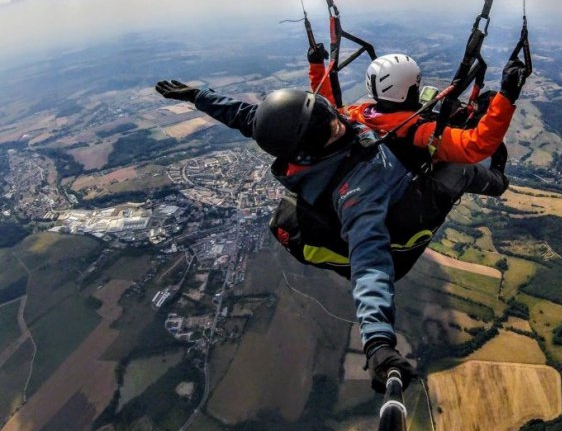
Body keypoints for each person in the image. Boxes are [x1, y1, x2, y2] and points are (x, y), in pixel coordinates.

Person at [155, 82, 419, 392]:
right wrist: (378, 341)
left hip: (379, 161)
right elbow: (369, 261)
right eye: (327, 130)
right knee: (456, 176)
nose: (338, 125)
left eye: (327, 114)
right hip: (398, 194)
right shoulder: (355, 191)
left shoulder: (301, 133)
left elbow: (245, 116)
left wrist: (198, 96)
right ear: (307, 151)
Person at [307, 46, 529, 201]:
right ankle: (499, 180)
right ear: (409, 90)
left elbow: (328, 105)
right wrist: (507, 95)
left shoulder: (356, 115)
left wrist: (317, 66)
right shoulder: (419, 132)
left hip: (382, 177)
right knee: (467, 168)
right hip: (415, 183)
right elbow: (477, 145)